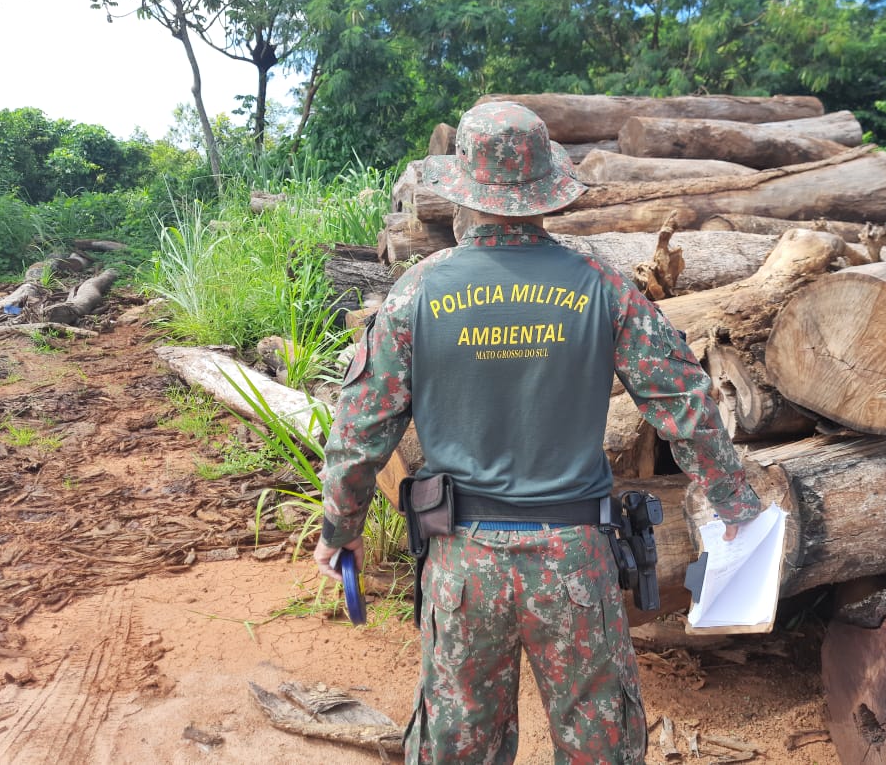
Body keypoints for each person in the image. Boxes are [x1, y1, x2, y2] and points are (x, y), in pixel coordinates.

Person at [314, 100, 762, 764]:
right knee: (600, 747)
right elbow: (687, 402)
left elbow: (359, 433)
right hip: (574, 564)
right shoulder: (602, 286)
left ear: (465, 192)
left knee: (456, 749)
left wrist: (339, 530)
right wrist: (735, 507)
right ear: (544, 192)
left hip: (464, 567)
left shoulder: (417, 292)